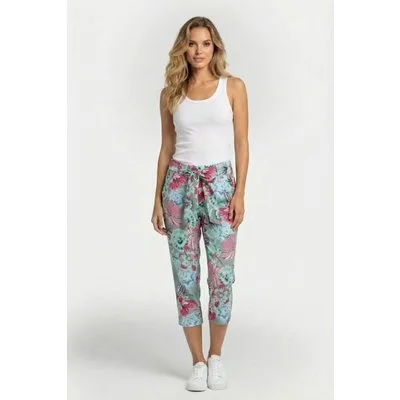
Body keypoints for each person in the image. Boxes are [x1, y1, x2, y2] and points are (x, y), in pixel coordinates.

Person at [151, 16, 249, 391]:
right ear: (183, 47)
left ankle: (216, 356)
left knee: (222, 276)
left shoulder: (233, 87)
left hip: (221, 186)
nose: (198, 51)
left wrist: (240, 192)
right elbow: (166, 148)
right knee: (185, 277)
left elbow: (241, 143)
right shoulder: (171, 93)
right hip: (178, 187)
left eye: (205, 43)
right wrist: (157, 198)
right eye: (192, 43)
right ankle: (197, 361)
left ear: (215, 47)